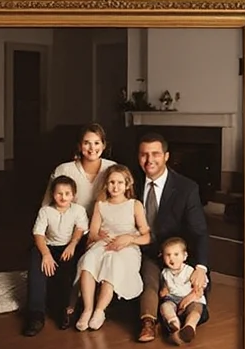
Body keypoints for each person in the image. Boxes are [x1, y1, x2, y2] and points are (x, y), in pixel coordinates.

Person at [20, 123, 111, 333]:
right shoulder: (64, 169)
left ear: (104, 146)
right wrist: (45, 250)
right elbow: (46, 207)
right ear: (79, 146)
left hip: (91, 234)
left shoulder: (110, 169)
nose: (91, 148)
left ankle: (64, 309)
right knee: (37, 259)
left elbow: (120, 201)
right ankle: (35, 314)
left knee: (69, 268)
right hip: (58, 233)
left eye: (97, 143)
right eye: (87, 143)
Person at [134, 133, 208, 344]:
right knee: (149, 283)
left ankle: (183, 325)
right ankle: (148, 323)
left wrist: (201, 267)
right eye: (144, 155)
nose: (150, 160)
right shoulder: (130, 184)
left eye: (155, 154)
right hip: (144, 251)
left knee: (193, 297)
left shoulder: (186, 188)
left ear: (166, 156)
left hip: (176, 255)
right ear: (138, 157)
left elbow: (199, 231)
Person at [76, 164, 149, 331]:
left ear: (127, 184)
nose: (115, 187)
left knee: (113, 261)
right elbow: (92, 233)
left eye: (119, 182)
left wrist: (130, 238)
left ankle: (100, 310)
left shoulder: (134, 204)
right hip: (105, 242)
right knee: (89, 259)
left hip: (127, 245)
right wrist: (100, 236)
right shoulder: (101, 205)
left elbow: (147, 235)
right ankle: (87, 309)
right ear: (106, 184)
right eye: (111, 182)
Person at [22, 173, 88, 336]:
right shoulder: (45, 211)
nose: (63, 197)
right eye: (59, 193)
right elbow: (38, 234)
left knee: (66, 275)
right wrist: (45, 254)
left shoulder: (78, 210)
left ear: (73, 195)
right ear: (53, 194)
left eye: (67, 194)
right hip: (47, 246)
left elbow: (80, 228)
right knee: (37, 269)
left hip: (67, 246)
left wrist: (72, 244)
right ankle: (36, 315)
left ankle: (62, 311)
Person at [154, 234, 205, 344]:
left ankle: (189, 327)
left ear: (185, 256)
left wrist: (188, 299)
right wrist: (163, 292)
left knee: (196, 308)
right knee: (165, 306)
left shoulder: (189, 271)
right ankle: (174, 324)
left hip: (190, 299)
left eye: (176, 254)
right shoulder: (165, 273)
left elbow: (199, 291)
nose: (171, 258)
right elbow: (164, 289)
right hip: (173, 300)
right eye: (168, 255)